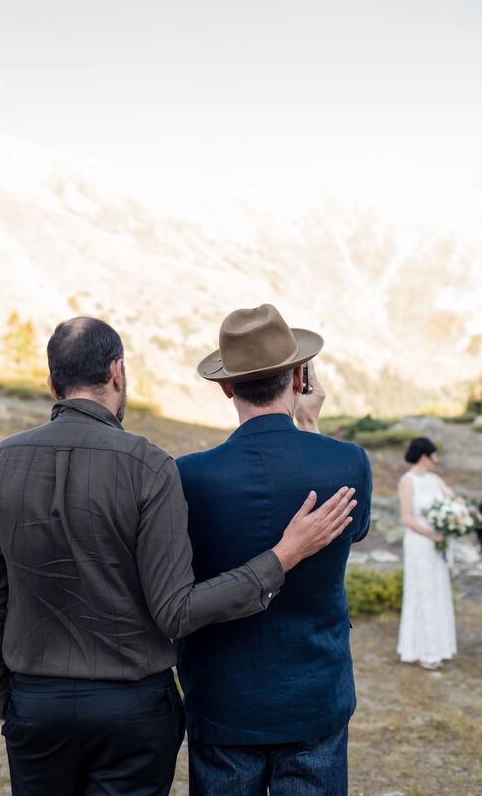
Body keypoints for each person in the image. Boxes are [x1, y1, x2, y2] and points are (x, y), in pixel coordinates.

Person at [0, 316, 357, 796]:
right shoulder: (150, 466)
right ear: (117, 372)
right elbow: (175, 608)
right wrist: (281, 553)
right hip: (142, 706)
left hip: (44, 703)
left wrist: (0, 695)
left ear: (51, 384)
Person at [175, 304, 372, 796]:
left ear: (226, 387)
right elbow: (356, 530)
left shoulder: (189, 475)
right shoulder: (348, 462)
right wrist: (312, 428)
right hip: (314, 696)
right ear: (300, 376)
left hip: (223, 701)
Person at [397, 436, 457, 670]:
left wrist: (458, 519)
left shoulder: (435, 480)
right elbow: (407, 518)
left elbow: (453, 502)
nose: (436, 459)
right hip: (419, 543)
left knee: (438, 589)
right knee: (422, 590)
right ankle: (421, 650)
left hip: (437, 543)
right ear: (425, 455)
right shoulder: (407, 481)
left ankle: (440, 646)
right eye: (434, 454)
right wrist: (432, 535)